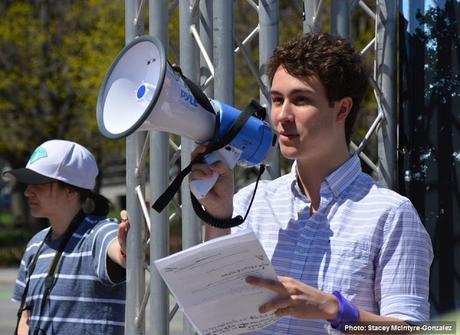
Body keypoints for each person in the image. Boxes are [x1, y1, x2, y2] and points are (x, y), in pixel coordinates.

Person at [190, 32, 433, 334]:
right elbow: (219, 311)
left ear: (342, 109)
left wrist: (335, 310)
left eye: (301, 99)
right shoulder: (248, 202)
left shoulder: (391, 214)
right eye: (277, 99)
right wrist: (217, 216)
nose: (282, 116)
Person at [3, 139, 129, 335]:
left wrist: (128, 246)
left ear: (70, 190)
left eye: (38, 182)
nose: (28, 192)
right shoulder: (35, 244)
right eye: (27, 183)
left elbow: (120, 250)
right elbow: (26, 318)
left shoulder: (99, 232)